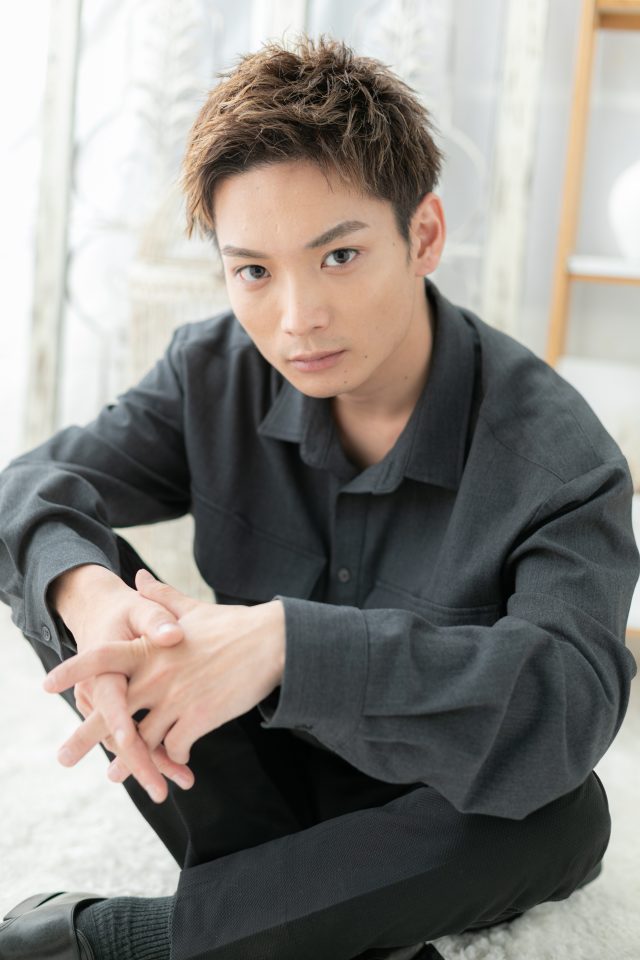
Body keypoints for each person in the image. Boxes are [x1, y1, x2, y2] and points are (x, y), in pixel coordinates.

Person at [0, 33, 638, 960]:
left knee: (563, 815)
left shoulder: (559, 456)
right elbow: (23, 489)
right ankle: (313, 916)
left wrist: (288, 646)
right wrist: (89, 598)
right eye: (254, 271)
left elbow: (570, 703)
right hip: (244, 774)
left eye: (339, 255)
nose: (297, 319)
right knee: (70, 558)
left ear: (424, 235)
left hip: (429, 800)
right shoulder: (209, 372)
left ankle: (114, 939)